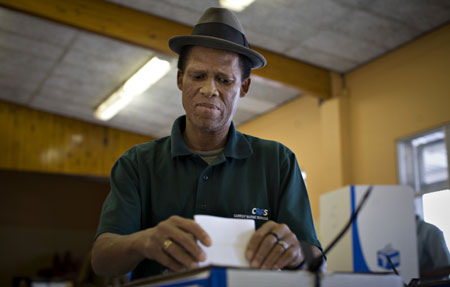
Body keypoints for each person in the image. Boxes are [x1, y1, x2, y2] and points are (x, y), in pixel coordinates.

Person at [91, 7, 323, 280]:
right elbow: (101, 260)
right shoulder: (137, 164)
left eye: (224, 80)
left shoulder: (277, 161)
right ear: (180, 79)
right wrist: (143, 241)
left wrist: (295, 253)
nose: (209, 89)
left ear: (244, 87)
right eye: (198, 76)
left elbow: (316, 259)